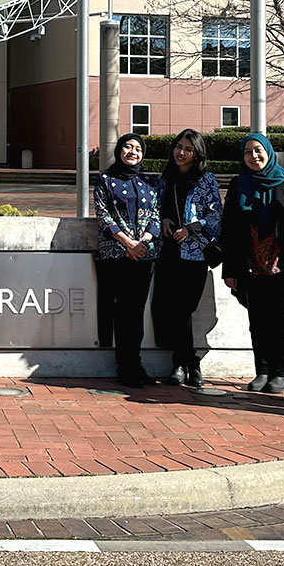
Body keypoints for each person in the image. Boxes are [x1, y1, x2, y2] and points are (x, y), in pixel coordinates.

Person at [221, 133, 284, 394]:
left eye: (258, 150)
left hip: (282, 263)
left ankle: (281, 372)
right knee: (259, 321)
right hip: (250, 262)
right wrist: (230, 269)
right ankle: (262, 370)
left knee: (283, 321)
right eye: (248, 152)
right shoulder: (238, 184)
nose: (254, 156)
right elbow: (228, 228)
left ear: (268, 151)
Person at [151, 129, 223, 388]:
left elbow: (216, 215)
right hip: (168, 252)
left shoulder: (206, 179)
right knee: (171, 309)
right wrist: (164, 220)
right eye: (179, 147)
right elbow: (154, 207)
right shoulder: (165, 178)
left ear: (197, 153)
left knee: (186, 308)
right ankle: (186, 364)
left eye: (188, 149)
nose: (181, 152)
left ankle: (185, 363)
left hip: (194, 254)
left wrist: (190, 228)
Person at [92, 132, 160, 387]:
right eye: (128, 147)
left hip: (144, 255)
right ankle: (125, 366)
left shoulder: (149, 182)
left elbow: (155, 214)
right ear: (119, 150)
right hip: (117, 253)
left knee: (136, 312)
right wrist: (128, 243)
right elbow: (104, 215)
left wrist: (144, 241)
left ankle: (136, 363)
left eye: (138, 149)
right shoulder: (105, 180)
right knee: (121, 312)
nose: (133, 152)